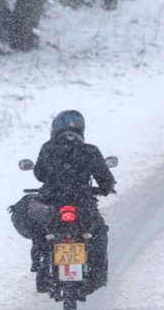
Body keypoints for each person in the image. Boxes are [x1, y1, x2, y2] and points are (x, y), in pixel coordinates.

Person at [31, 110, 115, 289]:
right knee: (98, 232)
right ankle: (97, 273)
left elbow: (39, 174)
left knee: (40, 229)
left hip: (53, 203)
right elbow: (105, 180)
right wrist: (105, 189)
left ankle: (39, 263)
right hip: (82, 203)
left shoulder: (48, 148)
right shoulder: (90, 151)